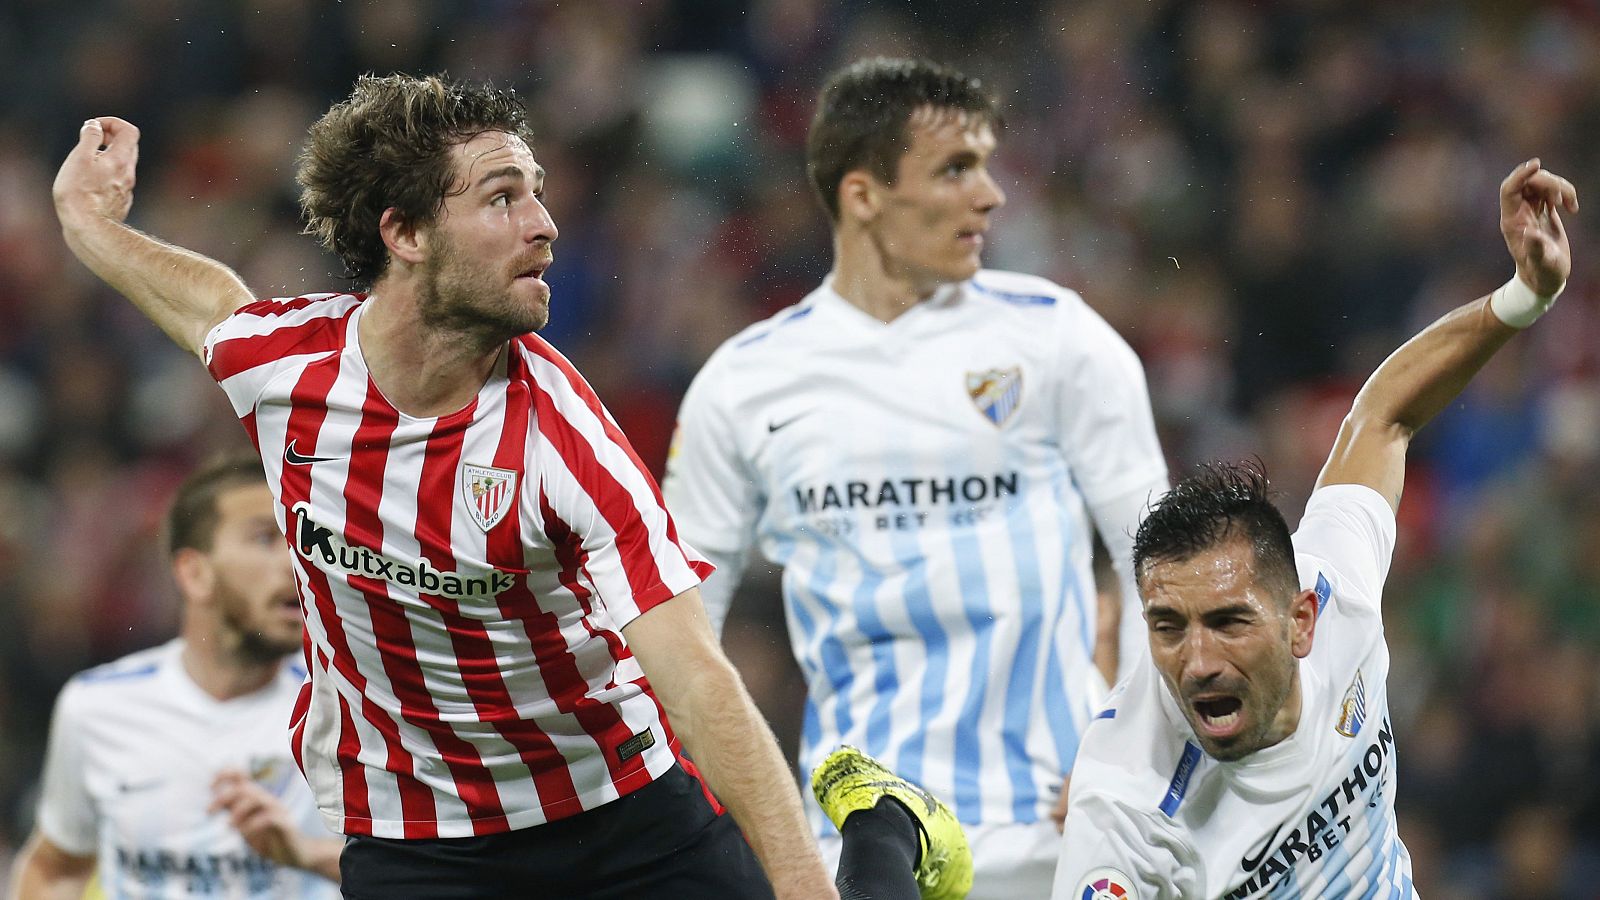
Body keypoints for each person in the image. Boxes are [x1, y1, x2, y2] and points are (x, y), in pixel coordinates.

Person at [50, 74, 861, 899]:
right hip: (414, 845)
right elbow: (206, 308)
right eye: (503, 198)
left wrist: (804, 886)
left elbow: (694, 677)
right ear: (404, 232)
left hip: (618, 825)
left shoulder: (564, 441)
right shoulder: (291, 370)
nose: (544, 226)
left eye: (538, 196)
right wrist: (88, 220)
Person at [662, 56, 1169, 897]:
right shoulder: (744, 386)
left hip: (1064, 834)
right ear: (863, 194)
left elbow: (1161, 567)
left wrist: (1129, 756)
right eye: (955, 169)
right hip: (858, 853)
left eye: (987, 164)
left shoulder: (1056, 341)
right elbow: (682, 642)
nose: (991, 194)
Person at [1051, 158, 1577, 899]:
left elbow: (1383, 414)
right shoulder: (1125, 804)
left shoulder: (1340, 591)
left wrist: (1526, 295)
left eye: (1228, 621)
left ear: (1302, 620)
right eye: (1167, 626)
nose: (1196, 659)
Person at [7, 456, 342, 899]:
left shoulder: (346, 708)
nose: (295, 562)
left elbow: (416, 871)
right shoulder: (97, 707)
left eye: (299, 540)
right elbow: (56, 867)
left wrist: (308, 854)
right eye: (265, 538)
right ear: (194, 573)